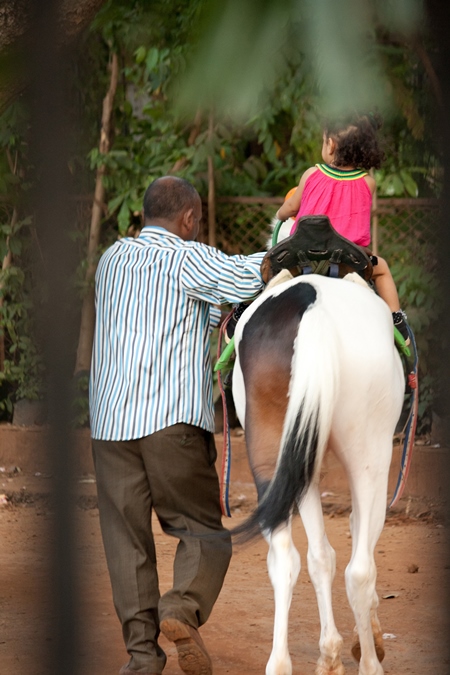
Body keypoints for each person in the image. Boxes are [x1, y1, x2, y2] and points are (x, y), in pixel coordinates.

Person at [89, 176, 266, 675]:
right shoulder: (188, 259)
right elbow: (251, 273)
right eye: (198, 221)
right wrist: (288, 235)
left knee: (126, 544)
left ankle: (142, 658)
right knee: (204, 532)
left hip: (109, 424)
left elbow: (190, 314)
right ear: (188, 218)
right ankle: (180, 609)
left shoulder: (111, 261)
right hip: (171, 423)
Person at [276, 111, 409, 341]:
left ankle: (241, 313)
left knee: (266, 267)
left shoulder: (311, 174)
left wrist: (281, 212)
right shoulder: (368, 183)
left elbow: (291, 207)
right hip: (348, 261)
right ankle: (398, 321)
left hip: (302, 257)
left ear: (331, 145)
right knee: (383, 269)